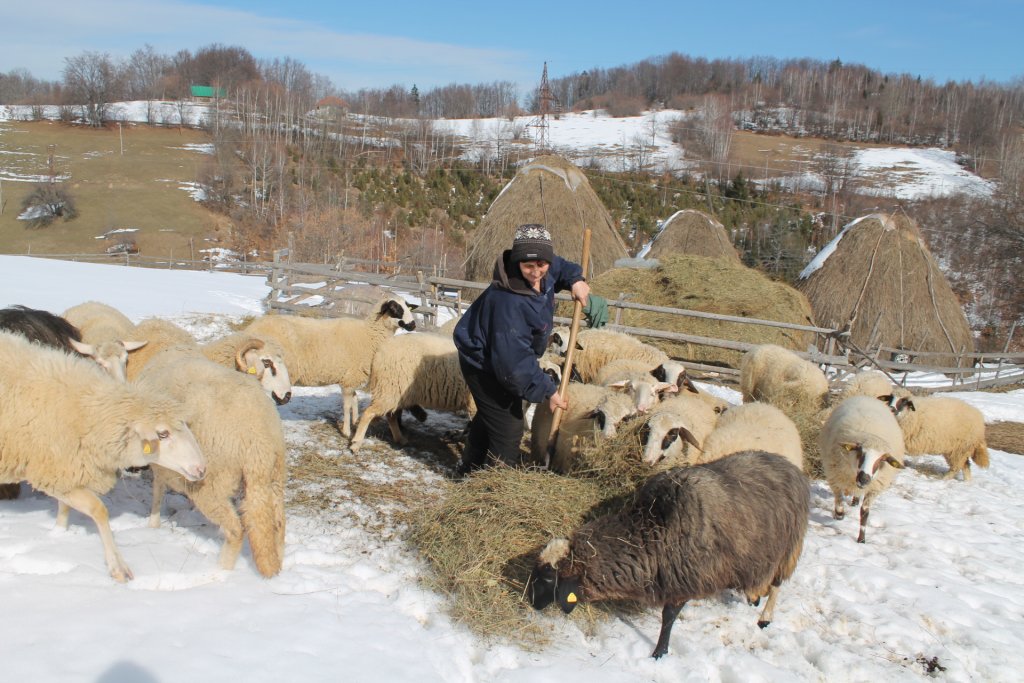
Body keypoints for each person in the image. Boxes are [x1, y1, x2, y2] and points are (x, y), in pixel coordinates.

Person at [453, 224, 590, 475]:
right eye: (528, 266)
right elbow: (514, 365)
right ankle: (492, 486)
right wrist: (548, 391)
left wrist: (576, 280)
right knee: (509, 427)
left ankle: (469, 468)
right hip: (482, 361)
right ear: (517, 262)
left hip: (506, 355)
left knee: (492, 414)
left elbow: (561, 267)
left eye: (541, 264)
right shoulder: (508, 301)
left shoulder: (545, 269)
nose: (536, 272)